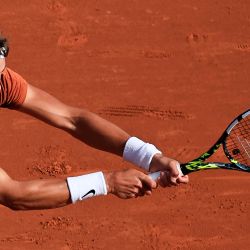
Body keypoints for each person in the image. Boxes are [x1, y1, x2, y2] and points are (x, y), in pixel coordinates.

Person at [0, 35, 189, 211]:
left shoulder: (3, 82)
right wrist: (108, 182)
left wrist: (148, 156)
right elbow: (13, 195)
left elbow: (73, 119)